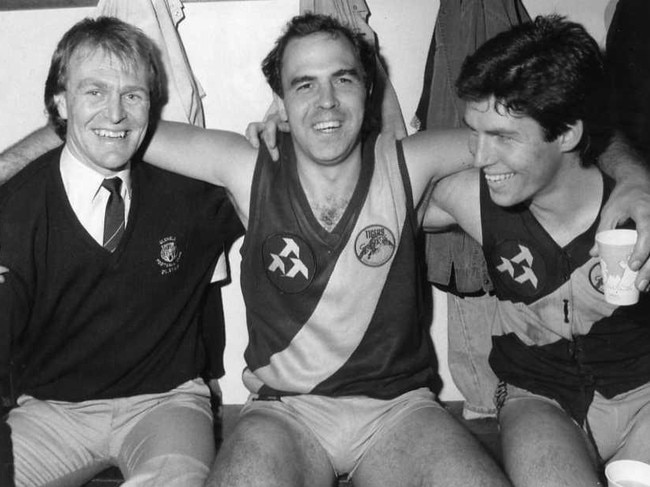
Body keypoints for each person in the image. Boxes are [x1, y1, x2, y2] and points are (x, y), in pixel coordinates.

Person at [2, 11, 650, 487]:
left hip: (400, 411)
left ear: (367, 91)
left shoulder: (410, 161)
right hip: (287, 414)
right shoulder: (244, 166)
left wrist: (637, 179)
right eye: (304, 84)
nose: (326, 101)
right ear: (281, 101)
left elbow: (553, 131)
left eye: (343, 79)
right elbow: (107, 128)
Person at [0, 17, 241, 487]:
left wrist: (280, 135)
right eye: (94, 92)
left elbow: (284, 190)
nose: (116, 115)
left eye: (133, 95)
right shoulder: (16, 209)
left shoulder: (190, 192)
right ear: (59, 101)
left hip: (165, 403)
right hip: (52, 413)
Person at [423, 15, 650, 486]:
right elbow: (367, 188)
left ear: (567, 133)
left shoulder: (637, 207)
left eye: (504, 137)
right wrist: (291, 133)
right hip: (538, 397)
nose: (479, 157)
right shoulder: (472, 197)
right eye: (474, 131)